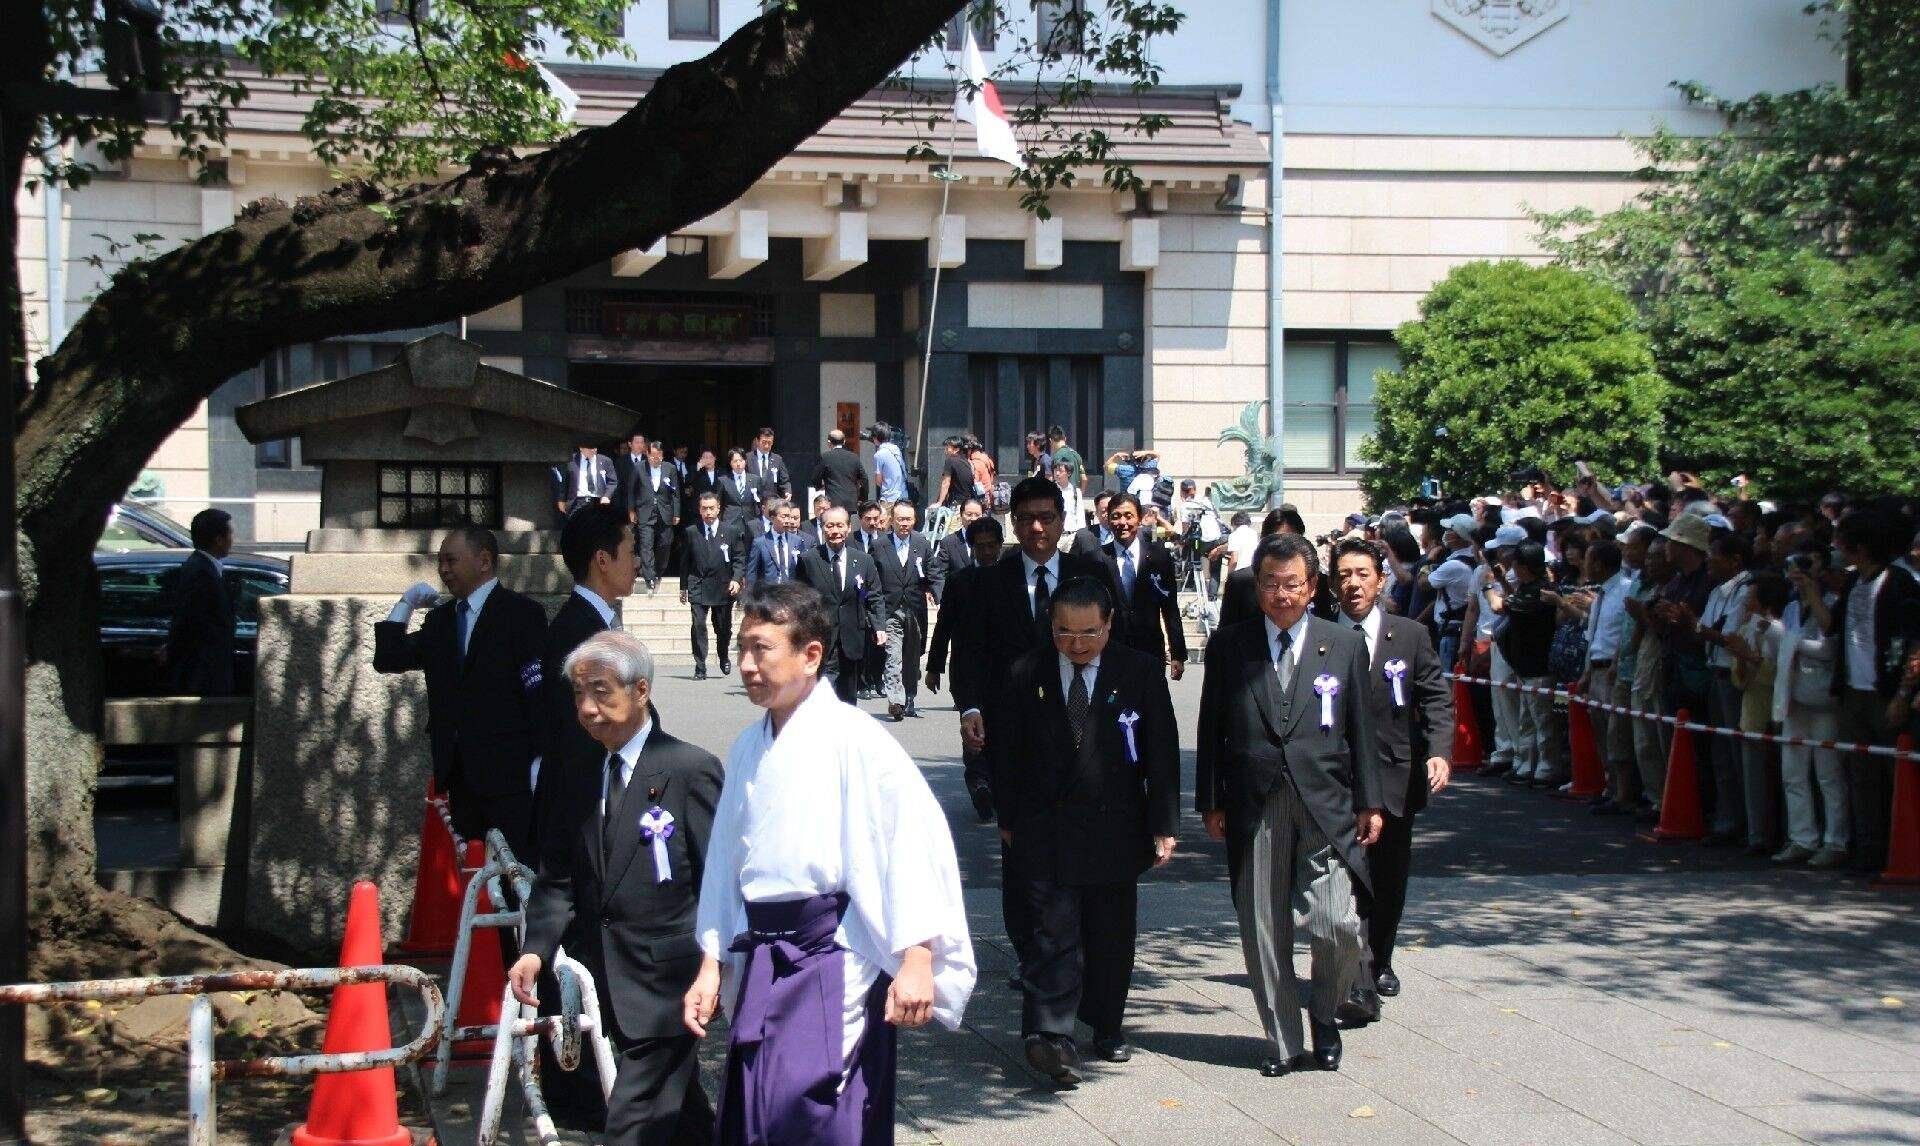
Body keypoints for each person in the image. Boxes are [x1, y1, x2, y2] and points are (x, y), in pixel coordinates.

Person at [684, 583, 975, 1144]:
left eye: (761, 649)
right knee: (758, 1111)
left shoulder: (858, 740)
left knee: (818, 1111)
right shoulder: (749, 746)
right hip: (765, 954)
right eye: (743, 648)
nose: (746, 664)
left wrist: (917, 956)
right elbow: (725, 862)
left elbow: (911, 844)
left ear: (811, 654)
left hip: (830, 955)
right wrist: (711, 964)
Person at [510, 631, 722, 1146]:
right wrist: (536, 951)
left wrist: (714, 965)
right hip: (608, 972)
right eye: (580, 694)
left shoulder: (688, 769)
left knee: (632, 1120)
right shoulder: (579, 768)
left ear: (641, 690)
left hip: (670, 981)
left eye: (602, 692)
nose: (588, 708)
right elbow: (560, 874)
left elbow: (720, 878)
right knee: (687, 1118)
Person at [1195, 532, 1381, 1077]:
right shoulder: (1232, 645)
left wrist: (1371, 801)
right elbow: (1211, 726)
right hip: (1255, 799)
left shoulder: (1341, 645)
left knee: (1336, 923)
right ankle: (1282, 1041)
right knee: (1263, 924)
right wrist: (1211, 798)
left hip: (1326, 798)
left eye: (1292, 584)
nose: (1281, 595)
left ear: (1312, 586)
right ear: (1258, 590)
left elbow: (1362, 732)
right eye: (1270, 584)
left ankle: (1324, 1011)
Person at [989, 576, 1177, 1085]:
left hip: (1115, 825)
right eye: (1064, 633)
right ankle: (1049, 1036)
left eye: (1089, 633)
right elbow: (1005, 753)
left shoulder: (1137, 670)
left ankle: (1106, 1025)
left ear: (1109, 624)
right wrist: (1007, 819)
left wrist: (1163, 823)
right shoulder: (1026, 671)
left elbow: (1159, 750)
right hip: (1042, 825)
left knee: (1110, 933)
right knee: (1051, 931)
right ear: (1050, 627)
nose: (1077, 644)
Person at [952, 476, 1123, 977]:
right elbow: (971, 654)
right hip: (1014, 741)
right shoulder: (990, 581)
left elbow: (1119, 642)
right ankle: (1032, 953)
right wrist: (971, 709)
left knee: (1083, 849)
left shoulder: (1088, 572)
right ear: (1013, 523)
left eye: (1047, 517)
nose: (1037, 527)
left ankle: (1076, 953)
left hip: (1082, 733)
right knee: (1020, 852)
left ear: (1062, 521)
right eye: (1026, 518)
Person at [1324, 537, 1450, 1025]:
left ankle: (1379, 960)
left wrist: (1439, 752)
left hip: (1396, 772)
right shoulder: (1321, 634)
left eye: (1361, 574)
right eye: (1343, 575)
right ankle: (1351, 965)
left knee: (1388, 876)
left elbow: (1436, 698)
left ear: (1380, 580)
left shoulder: (1409, 635)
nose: (1352, 584)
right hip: (1337, 776)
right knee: (1342, 877)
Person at [374, 527, 547, 855]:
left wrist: (539, 761)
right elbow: (388, 658)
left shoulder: (521, 614)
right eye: (439, 561)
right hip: (461, 779)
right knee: (472, 878)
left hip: (511, 780)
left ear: (484, 561)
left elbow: (537, 693)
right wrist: (405, 604)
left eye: (451, 560)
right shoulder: (441, 621)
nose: (443, 569)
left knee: (515, 876)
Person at [1830, 509, 1920, 874]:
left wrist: (1902, 694)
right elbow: (1830, 627)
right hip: (1853, 689)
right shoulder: (1853, 584)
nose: (1837, 547)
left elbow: (1913, 641)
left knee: (1893, 775)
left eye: (1843, 541)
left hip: (1886, 691)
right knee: (1860, 774)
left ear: (1861, 547)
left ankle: (1900, 850)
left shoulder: (1900, 584)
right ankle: (1869, 848)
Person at [926, 516, 1006, 823]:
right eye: (979, 547)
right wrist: (934, 667)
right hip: (968, 671)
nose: (986, 553)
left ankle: (997, 783)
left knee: (999, 730)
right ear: (971, 548)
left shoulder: (1012, 578)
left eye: (991, 546)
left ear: (1000, 546)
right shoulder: (960, 581)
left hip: (1005, 672)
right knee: (973, 731)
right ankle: (979, 784)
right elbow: (943, 625)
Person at [1771, 545, 1847, 867]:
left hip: (1824, 698)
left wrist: (1793, 641)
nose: (1798, 574)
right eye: (1793, 568)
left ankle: (1836, 840)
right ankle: (1802, 837)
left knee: (1828, 773)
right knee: (1793, 772)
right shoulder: (1790, 608)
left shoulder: (1832, 602)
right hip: (1793, 695)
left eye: (1805, 567)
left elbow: (1829, 645)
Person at [1486, 541, 1566, 789]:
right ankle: (1525, 765)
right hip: (1523, 666)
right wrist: (1504, 582)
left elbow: (1501, 606)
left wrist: (1488, 585)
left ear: (1523, 566)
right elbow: (1513, 601)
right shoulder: (1526, 588)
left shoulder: (1542, 592)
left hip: (1538, 665)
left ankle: (1547, 767)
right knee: (1527, 719)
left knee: (1543, 721)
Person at [795, 505, 885, 704]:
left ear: (847, 528)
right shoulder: (808, 560)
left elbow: (874, 596)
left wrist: (879, 626)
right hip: (821, 638)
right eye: (829, 526)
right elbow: (799, 600)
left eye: (839, 526)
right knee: (822, 694)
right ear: (822, 528)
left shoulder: (863, 561)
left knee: (847, 698)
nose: (835, 531)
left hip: (852, 637)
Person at [1097, 493, 1187, 680]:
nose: (1122, 522)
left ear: (1139, 518)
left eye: (1128, 516)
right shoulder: (1098, 559)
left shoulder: (1159, 556)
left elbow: (1170, 607)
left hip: (1149, 651)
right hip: (1110, 652)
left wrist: (1177, 653)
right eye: (1116, 516)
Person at [165, 508, 237, 695]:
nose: (232, 539)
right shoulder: (201, 573)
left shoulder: (206, 569)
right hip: (203, 672)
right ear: (218, 539)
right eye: (230, 533)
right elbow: (190, 621)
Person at [872, 502, 933, 722]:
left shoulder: (922, 543)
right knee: (893, 654)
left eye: (908, 519)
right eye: (900, 519)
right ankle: (895, 700)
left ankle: (909, 698)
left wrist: (939, 594)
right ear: (892, 520)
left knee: (911, 657)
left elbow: (932, 572)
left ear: (914, 520)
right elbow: (873, 580)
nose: (904, 524)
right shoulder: (880, 545)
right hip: (891, 609)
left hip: (915, 609)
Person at [681, 492, 744, 682]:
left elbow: (739, 559)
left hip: (723, 586)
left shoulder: (731, 531)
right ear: (699, 510)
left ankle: (723, 655)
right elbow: (685, 561)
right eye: (704, 508)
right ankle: (700, 666)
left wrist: (736, 579)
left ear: (718, 509)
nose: (708, 512)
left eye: (711, 508)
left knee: (723, 628)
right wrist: (683, 587)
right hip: (698, 584)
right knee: (698, 625)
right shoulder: (692, 531)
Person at [630, 441, 679, 595]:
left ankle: (658, 571)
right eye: (652, 456)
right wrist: (631, 510)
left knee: (665, 544)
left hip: (665, 511)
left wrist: (676, 513)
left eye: (658, 457)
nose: (655, 459)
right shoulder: (639, 468)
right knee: (646, 544)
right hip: (645, 511)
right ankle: (649, 577)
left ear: (662, 456)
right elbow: (632, 491)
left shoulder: (670, 468)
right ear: (648, 455)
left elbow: (675, 493)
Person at [929, 499, 985, 602]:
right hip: (957, 602)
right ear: (961, 515)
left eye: (977, 515)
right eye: (969, 514)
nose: (973, 519)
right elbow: (939, 573)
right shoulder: (948, 542)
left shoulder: (989, 542)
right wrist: (941, 597)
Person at [743, 499, 803, 588]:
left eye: (789, 516)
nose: (787, 520)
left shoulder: (797, 541)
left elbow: (802, 571)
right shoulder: (760, 543)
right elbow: (752, 573)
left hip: (791, 593)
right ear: (772, 517)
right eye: (784, 516)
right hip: (768, 595)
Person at [811, 428, 869, 514]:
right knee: (847, 525)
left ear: (829, 442)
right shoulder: (854, 457)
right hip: (850, 502)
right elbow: (864, 479)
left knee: (833, 525)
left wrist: (820, 486)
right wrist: (862, 498)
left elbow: (815, 477)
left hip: (832, 501)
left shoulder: (825, 457)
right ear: (844, 441)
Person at [559, 440, 619, 520]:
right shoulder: (571, 461)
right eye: (590, 448)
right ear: (581, 448)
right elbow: (565, 482)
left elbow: (612, 481)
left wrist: (607, 495)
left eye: (595, 447)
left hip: (598, 501)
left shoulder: (605, 461)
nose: (593, 450)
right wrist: (561, 499)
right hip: (577, 501)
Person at [717, 448, 764, 532]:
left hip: (750, 522)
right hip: (730, 523)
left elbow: (760, 502)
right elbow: (719, 503)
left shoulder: (755, 479)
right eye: (735, 461)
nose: (738, 464)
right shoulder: (723, 480)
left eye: (741, 460)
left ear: (745, 461)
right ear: (730, 463)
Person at [746, 426, 789, 502]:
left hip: (772, 502)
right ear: (757, 441)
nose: (766, 446)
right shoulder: (748, 458)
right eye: (764, 442)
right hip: (752, 501)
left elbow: (784, 481)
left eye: (769, 443)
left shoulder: (777, 459)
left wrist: (787, 491)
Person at [870, 423, 907, 507]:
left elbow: (878, 481)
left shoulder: (879, 454)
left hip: (889, 499)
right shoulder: (896, 449)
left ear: (875, 437)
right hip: (903, 495)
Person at [1072, 490, 1116, 556]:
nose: (1109, 514)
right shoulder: (1083, 536)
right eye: (1104, 511)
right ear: (1097, 513)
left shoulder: (1129, 534)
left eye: (1112, 510)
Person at [1047, 425, 1085, 493]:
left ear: (1051, 440)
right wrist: (1078, 496)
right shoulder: (1076, 455)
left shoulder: (1057, 456)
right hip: (1074, 496)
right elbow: (1084, 479)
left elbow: (1055, 478)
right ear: (1065, 438)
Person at [1052, 461, 1085, 536]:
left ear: (1069, 473)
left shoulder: (1076, 492)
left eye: (1060, 471)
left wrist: (1081, 534)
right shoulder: (1049, 491)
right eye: (1055, 470)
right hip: (1055, 535)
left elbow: (1080, 514)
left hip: (1072, 533)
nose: (1057, 474)